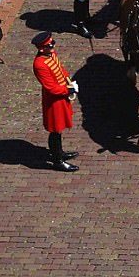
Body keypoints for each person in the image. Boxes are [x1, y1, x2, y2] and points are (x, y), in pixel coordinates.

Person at [31, 32, 79, 173]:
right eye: (49, 45)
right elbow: (51, 88)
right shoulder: (40, 64)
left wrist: (69, 81)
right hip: (54, 101)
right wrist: (68, 90)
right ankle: (58, 160)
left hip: (61, 96)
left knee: (59, 129)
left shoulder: (50, 54)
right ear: (41, 49)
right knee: (55, 129)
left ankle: (59, 152)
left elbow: (60, 69)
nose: (52, 46)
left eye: (52, 43)